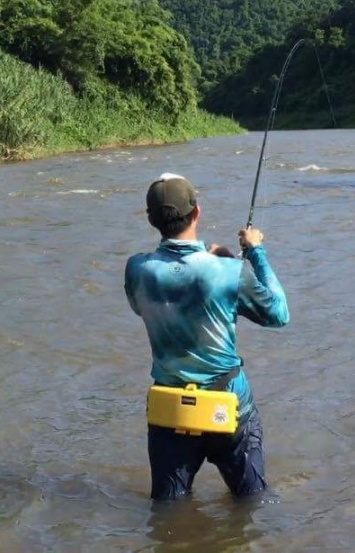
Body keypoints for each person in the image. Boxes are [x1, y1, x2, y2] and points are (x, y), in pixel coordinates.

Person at [124, 173, 290, 501]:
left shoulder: (136, 270)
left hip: (171, 413)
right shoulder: (229, 272)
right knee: (252, 504)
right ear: (196, 212)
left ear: (151, 219)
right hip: (230, 408)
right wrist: (254, 253)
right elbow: (279, 314)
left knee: (167, 513)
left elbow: (144, 302)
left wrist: (214, 260)